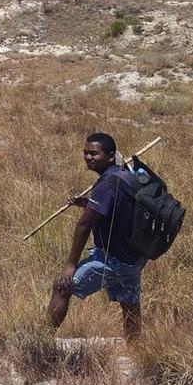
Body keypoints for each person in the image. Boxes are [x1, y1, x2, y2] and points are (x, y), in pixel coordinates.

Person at [47, 132, 145, 340]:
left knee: (62, 286)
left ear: (110, 156)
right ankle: (136, 349)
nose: (88, 157)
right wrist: (88, 203)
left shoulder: (106, 186)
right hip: (133, 258)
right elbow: (119, 209)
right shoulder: (126, 176)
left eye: (94, 153)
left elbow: (84, 225)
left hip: (111, 260)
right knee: (129, 303)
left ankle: (42, 339)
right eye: (85, 153)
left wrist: (70, 265)